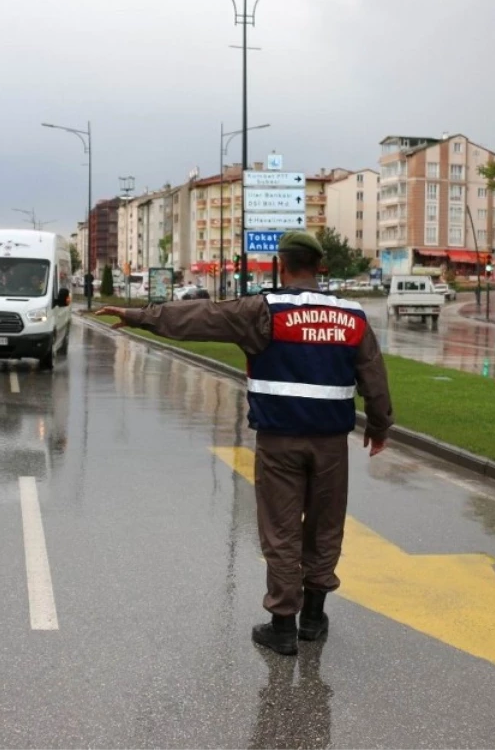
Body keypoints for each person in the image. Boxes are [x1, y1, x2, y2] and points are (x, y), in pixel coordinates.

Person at [96, 231, 393, 656]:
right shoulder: (352, 316)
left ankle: (283, 626)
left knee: (281, 529)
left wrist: (140, 316)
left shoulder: (263, 310)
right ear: (319, 266)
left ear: (282, 264)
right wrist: (380, 427)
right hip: (331, 445)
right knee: (325, 527)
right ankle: (314, 616)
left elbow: (198, 317)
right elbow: (374, 379)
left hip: (279, 442)